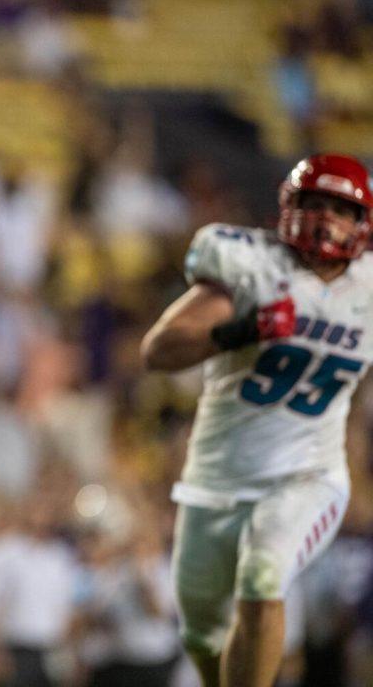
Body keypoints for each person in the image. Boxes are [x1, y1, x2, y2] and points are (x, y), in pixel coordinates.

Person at [141, 154, 373, 687]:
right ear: (288, 207)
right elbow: (158, 351)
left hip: (307, 476)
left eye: (341, 210)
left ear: (362, 223)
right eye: (314, 205)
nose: (325, 221)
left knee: (263, 574)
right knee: (201, 635)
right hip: (214, 483)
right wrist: (244, 329)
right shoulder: (252, 266)